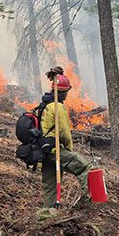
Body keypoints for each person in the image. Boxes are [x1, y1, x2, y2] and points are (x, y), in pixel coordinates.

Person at [39, 67, 92, 208]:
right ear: (63, 92)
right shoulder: (57, 107)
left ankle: (48, 212)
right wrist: (69, 149)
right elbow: (64, 133)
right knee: (84, 167)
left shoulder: (44, 105)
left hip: (44, 151)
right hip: (54, 150)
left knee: (51, 186)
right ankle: (91, 205)